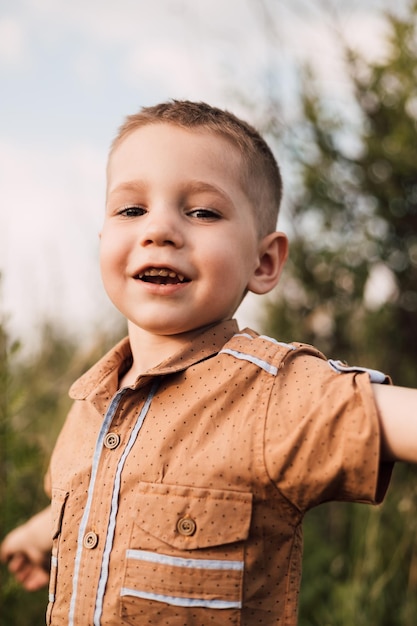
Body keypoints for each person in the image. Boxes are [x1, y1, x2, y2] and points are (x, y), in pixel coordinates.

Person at [1, 100, 417, 626]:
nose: (160, 230)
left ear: (263, 262)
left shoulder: (272, 396)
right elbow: (101, 490)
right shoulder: (88, 403)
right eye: (132, 210)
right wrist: (38, 534)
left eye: (202, 212)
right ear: (104, 239)